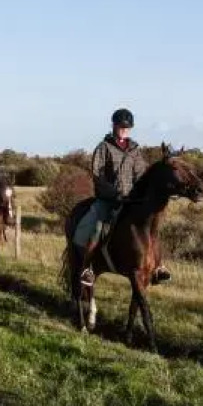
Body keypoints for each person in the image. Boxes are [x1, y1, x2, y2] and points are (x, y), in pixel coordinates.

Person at [72, 108, 171, 286]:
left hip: (131, 200)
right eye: (121, 127)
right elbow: (98, 176)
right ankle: (88, 267)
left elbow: (141, 174)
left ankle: (158, 266)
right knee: (98, 227)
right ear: (114, 126)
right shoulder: (104, 147)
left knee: (150, 227)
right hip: (108, 199)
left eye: (127, 128)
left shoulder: (134, 150)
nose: (124, 130)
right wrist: (114, 193)